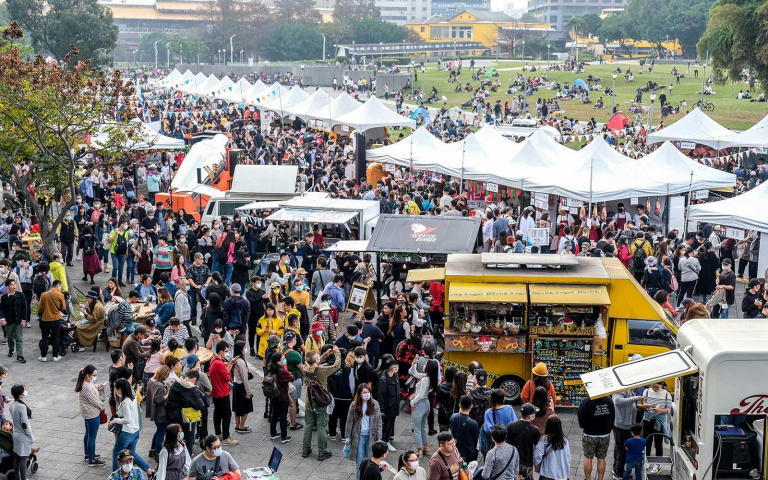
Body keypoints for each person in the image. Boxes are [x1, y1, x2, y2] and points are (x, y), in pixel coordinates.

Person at [302, 346, 341, 460]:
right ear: (316, 360)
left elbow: (315, 363)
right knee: (322, 427)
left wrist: (325, 355)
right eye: (318, 357)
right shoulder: (321, 372)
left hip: (309, 401)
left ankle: (306, 449)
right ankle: (322, 452)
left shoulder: (305, 368)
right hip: (320, 402)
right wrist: (337, 353)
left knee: (308, 426)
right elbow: (336, 366)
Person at [109, 379, 152, 473]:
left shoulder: (125, 402)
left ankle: (116, 476)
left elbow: (127, 419)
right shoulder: (133, 398)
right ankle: (149, 471)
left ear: (120, 389)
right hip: (135, 431)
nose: (115, 391)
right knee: (131, 454)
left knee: (117, 454)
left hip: (126, 433)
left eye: (116, 389)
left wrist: (114, 420)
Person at [612, 355, 642, 480]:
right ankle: (618, 473)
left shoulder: (631, 381)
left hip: (627, 422)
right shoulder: (622, 383)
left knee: (620, 448)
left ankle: (616, 469)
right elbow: (617, 401)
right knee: (622, 450)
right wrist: (635, 399)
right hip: (621, 424)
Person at [346, 384, 383, 480]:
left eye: (368, 392)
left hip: (372, 436)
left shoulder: (375, 404)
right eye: (364, 392)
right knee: (359, 461)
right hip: (359, 436)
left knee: (371, 460)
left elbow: (379, 421)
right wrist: (348, 437)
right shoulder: (354, 405)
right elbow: (349, 421)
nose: (367, 394)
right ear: (359, 394)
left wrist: (379, 438)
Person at [577, 391, 615, 480]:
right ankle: (600, 479)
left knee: (588, 457)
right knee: (602, 458)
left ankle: (588, 478)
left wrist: (584, 426)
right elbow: (613, 416)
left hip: (589, 434)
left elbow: (581, 418)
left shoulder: (586, 402)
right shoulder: (609, 400)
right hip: (604, 434)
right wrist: (609, 427)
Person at [166, 370, 205, 455]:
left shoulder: (175, 384)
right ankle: (187, 456)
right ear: (194, 379)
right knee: (188, 438)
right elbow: (198, 405)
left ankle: (172, 455)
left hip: (172, 416)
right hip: (186, 418)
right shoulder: (190, 389)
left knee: (174, 437)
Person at [209, 341, 238, 446]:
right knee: (227, 414)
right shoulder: (219, 363)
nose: (227, 352)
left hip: (216, 391)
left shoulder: (214, 360)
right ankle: (226, 437)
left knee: (217, 413)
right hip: (222, 392)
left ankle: (218, 433)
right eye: (226, 351)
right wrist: (229, 366)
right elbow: (226, 377)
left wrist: (230, 364)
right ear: (221, 351)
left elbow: (224, 373)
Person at [76, 365, 106, 466]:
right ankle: (92, 459)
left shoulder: (87, 382)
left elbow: (93, 387)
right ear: (88, 375)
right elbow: (96, 401)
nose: (95, 377)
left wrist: (98, 387)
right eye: (94, 375)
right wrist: (102, 407)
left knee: (88, 434)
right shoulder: (86, 387)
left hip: (88, 413)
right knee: (92, 437)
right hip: (92, 414)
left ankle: (88, 454)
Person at [640, 382, 672, 472]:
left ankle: (658, 464)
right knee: (647, 442)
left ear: (661, 385)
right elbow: (642, 404)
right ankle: (646, 461)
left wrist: (660, 410)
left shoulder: (666, 394)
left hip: (659, 422)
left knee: (658, 443)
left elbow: (668, 410)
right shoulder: (646, 392)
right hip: (648, 420)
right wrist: (645, 407)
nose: (654, 388)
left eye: (656, 387)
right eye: (652, 386)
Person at [411, 360, 438, 459]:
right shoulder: (429, 378)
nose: (424, 365)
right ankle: (426, 447)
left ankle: (419, 450)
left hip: (419, 404)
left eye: (426, 364)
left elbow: (421, 395)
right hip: (427, 404)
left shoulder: (424, 380)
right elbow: (415, 374)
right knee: (423, 427)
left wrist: (412, 402)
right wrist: (414, 365)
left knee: (417, 429)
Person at [506, 403, 541, 480]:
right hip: (527, 463)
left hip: (512, 461)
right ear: (530, 416)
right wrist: (537, 463)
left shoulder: (510, 426)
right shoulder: (535, 430)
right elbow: (538, 448)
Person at [267, 352, 294, 444]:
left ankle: (273, 433)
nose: (284, 360)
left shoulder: (271, 368)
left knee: (275, 415)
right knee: (283, 417)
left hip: (274, 396)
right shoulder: (282, 371)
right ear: (278, 361)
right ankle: (284, 436)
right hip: (282, 396)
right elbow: (292, 378)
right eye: (283, 359)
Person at [533, 416, 571, 480]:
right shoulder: (564, 440)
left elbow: (537, 456)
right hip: (561, 474)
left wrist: (537, 465)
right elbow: (568, 456)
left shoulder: (545, 440)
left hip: (547, 473)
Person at [37, 279, 66, 362]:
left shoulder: (44, 295)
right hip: (56, 319)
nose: (60, 288)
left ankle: (43, 356)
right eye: (60, 286)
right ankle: (55, 356)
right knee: (55, 337)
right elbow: (63, 308)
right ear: (57, 286)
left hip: (45, 319)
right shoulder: (60, 295)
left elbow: (40, 308)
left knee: (45, 337)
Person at [146, 366, 171, 459]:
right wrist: (167, 395)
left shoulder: (151, 381)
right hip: (161, 413)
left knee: (158, 431)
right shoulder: (160, 386)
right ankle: (158, 453)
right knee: (161, 432)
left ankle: (153, 449)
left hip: (154, 412)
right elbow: (159, 400)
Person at [0, 279, 27, 363]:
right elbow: (1, 309)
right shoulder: (4, 297)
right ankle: (11, 349)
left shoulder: (20, 295)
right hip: (9, 321)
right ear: (7, 287)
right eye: (11, 285)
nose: (14, 286)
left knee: (19, 338)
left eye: (14, 284)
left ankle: (19, 355)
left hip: (18, 321)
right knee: (10, 337)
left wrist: (24, 319)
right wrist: (2, 319)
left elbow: (24, 308)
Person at [378, 358, 400, 452]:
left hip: (394, 406)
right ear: (391, 368)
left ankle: (387, 441)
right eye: (395, 367)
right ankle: (383, 443)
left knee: (390, 425)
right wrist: (382, 409)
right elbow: (380, 394)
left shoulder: (395, 376)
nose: (396, 368)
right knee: (385, 426)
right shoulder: (384, 379)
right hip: (387, 407)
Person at [230, 341, 253, 434]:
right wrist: (248, 392)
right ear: (241, 349)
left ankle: (237, 425)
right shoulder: (241, 362)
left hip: (236, 385)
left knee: (237, 407)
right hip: (241, 386)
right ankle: (242, 426)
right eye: (244, 347)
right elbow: (245, 378)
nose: (245, 349)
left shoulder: (235, 359)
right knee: (246, 408)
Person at [449, 395, 479, 463]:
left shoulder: (453, 417)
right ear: (471, 406)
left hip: (455, 449)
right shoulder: (473, 423)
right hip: (468, 451)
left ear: (459, 405)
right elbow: (476, 438)